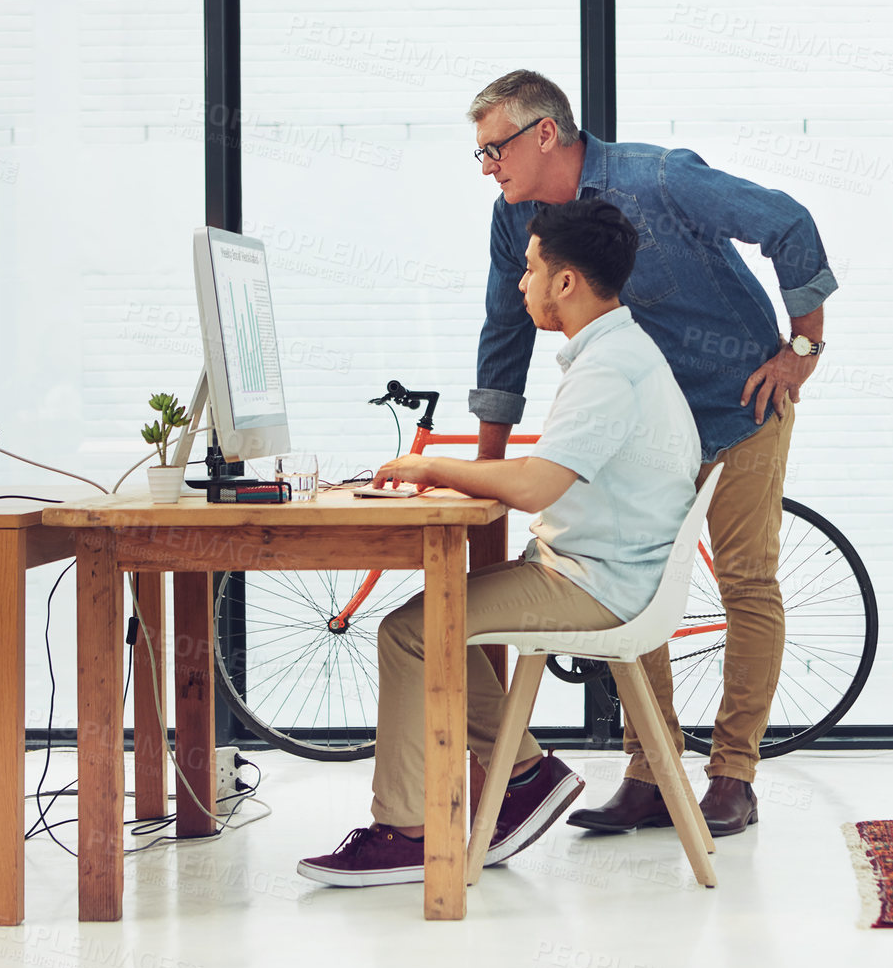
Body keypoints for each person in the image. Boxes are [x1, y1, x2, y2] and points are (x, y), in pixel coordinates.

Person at [466, 70, 836, 837]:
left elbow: (789, 223)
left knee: (745, 582)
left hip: (737, 409)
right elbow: (506, 329)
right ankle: (651, 771)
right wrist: (486, 478)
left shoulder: (659, 177)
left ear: (544, 134)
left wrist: (803, 347)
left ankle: (733, 774)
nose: (488, 167)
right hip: (637, 433)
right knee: (625, 581)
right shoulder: (515, 222)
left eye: (495, 148)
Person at [298, 198, 700, 886]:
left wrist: (430, 466)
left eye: (530, 269)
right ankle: (524, 776)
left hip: (598, 585)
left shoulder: (608, 370)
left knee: (410, 631)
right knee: (438, 613)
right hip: (599, 569)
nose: (521, 284)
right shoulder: (616, 352)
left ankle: (407, 831)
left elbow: (539, 485)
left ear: (565, 281)